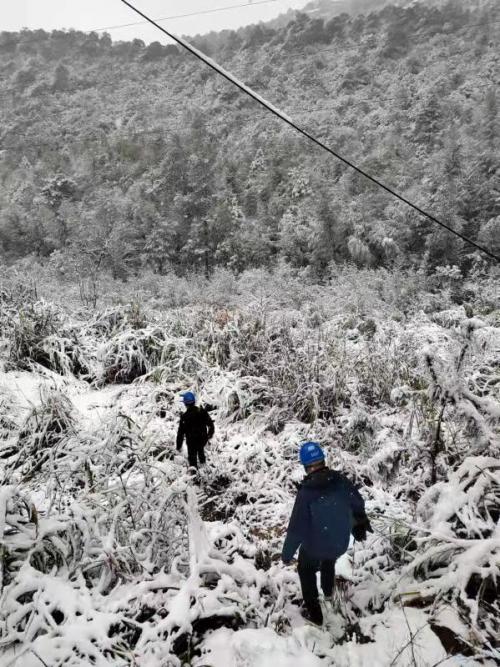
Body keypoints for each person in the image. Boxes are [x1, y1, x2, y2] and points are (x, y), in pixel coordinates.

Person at [282, 441, 372, 626]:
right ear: (323, 460)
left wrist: (287, 554)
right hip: (340, 542)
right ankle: (329, 592)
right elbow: (357, 502)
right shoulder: (340, 480)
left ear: (306, 466)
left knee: (305, 569)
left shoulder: (306, 492)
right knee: (328, 558)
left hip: (317, 547)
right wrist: (360, 525)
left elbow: (296, 529)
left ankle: (315, 615)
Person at [176, 392, 215, 469]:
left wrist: (178, 446)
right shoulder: (202, 412)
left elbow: (180, 434)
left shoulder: (184, 417)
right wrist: (209, 435)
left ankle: (194, 473)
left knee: (192, 459)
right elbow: (211, 425)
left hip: (191, 442)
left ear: (185, 404)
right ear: (194, 401)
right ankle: (204, 469)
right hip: (202, 439)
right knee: (201, 453)